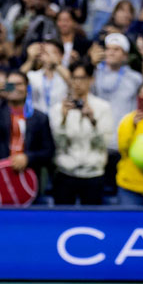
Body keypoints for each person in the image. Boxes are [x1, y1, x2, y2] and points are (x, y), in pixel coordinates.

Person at [49, 61, 115, 206]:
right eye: (74, 78)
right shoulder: (58, 108)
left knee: (93, 222)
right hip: (65, 173)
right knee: (62, 221)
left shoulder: (103, 107)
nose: (77, 83)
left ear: (91, 80)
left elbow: (103, 144)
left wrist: (92, 120)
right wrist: (64, 119)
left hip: (93, 174)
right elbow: (59, 144)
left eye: (82, 78)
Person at [0, 70, 55, 184]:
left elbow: (48, 152)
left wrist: (28, 158)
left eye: (19, 84)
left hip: (27, 178)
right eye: (10, 85)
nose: (15, 88)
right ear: (5, 88)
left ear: (27, 88)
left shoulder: (40, 118)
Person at [91, 33, 143, 126]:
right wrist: (91, 65)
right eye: (108, 49)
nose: (111, 53)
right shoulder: (95, 73)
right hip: (99, 130)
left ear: (125, 55)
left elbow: (141, 107)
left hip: (124, 131)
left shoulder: (136, 78)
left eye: (116, 49)